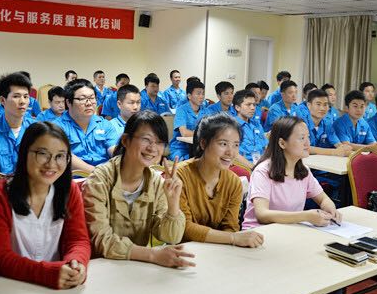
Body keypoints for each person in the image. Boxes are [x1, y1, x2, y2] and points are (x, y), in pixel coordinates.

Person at [242, 116, 343, 294]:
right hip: (260, 241)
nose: (308, 142)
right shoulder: (264, 171)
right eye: (301, 138)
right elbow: (262, 214)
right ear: (282, 143)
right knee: (317, 285)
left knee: (336, 284)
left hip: (291, 239)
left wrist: (331, 209)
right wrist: (305, 215)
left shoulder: (302, 169)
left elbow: (322, 198)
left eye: (307, 137)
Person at [0, 122, 90, 288]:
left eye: (60, 156)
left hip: (53, 285)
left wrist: (76, 263)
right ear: (24, 153)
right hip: (2, 284)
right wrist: (48, 273)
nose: (51, 164)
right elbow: (0, 258)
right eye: (42, 154)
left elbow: (78, 240)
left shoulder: (68, 189)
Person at [83, 111, 191, 267]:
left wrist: (173, 204)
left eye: (160, 142)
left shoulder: (156, 182)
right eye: (146, 139)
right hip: (100, 268)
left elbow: (171, 238)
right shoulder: (100, 179)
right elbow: (101, 240)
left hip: (138, 267)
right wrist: (153, 255)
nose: (153, 148)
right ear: (125, 140)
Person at [177, 114, 264, 247]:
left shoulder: (233, 182)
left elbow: (230, 227)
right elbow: (184, 227)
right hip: (183, 250)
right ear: (203, 143)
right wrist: (233, 238)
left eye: (236, 145)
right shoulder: (180, 176)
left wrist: (231, 238)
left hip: (219, 250)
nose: (231, 152)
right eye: (223, 144)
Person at [53, 79, 119, 172]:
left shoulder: (104, 124)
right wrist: (96, 172)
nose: (89, 103)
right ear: (68, 102)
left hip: (106, 175)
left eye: (92, 98)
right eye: (82, 99)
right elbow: (64, 156)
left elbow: (114, 150)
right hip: (75, 177)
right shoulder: (57, 127)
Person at [0, 73, 36, 174]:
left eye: (26, 96)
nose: (22, 101)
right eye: (16, 96)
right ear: (3, 100)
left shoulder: (36, 129)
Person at [301, 89, 351, 156]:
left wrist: (343, 148)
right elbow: (303, 147)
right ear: (309, 105)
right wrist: (333, 152)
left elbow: (336, 142)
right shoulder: (301, 124)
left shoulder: (327, 124)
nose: (322, 108)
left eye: (325, 105)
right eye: (318, 104)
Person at [169, 80, 205, 161]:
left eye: (203, 93)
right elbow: (184, 133)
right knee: (189, 163)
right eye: (198, 93)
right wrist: (202, 135)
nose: (201, 96)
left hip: (199, 147)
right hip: (180, 148)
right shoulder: (181, 110)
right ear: (189, 96)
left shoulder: (206, 111)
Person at [233, 90, 267, 168]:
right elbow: (234, 154)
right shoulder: (232, 126)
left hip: (262, 166)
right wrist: (254, 168)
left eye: (254, 105)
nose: (252, 108)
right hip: (245, 168)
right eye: (248, 105)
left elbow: (266, 147)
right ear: (237, 107)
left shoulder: (257, 124)